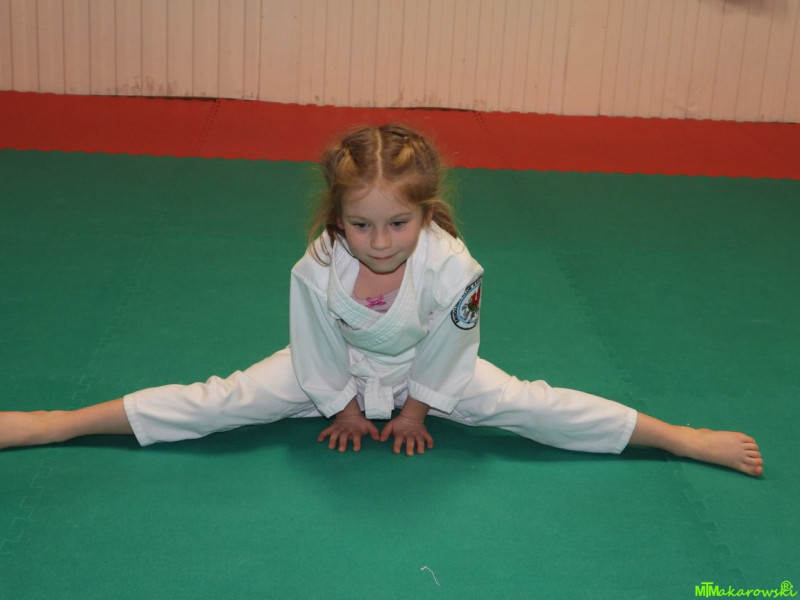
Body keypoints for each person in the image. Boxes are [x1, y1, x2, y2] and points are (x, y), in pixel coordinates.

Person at [0, 124, 763, 477]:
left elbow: (452, 352)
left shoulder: (454, 268)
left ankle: (676, 437)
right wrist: (340, 407)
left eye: (397, 223)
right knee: (223, 400)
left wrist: (418, 410)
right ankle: (59, 422)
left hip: (431, 373)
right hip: (328, 369)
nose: (379, 241)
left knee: (532, 405)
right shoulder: (318, 264)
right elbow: (313, 349)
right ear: (337, 218)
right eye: (360, 225)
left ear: (425, 214)